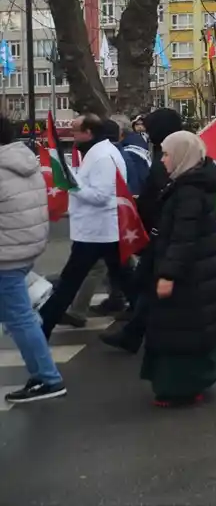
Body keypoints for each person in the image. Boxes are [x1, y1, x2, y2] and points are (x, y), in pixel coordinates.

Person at [140, 131, 216, 407]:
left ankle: (180, 387)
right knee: (194, 328)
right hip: (197, 274)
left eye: (166, 154)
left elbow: (183, 238)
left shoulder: (189, 191)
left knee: (180, 331)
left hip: (189, 277)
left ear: (181, 156)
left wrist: (168, 275)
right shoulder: (190, 183)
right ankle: (197, 377)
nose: (163, 159)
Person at [39, 113, 134, 337]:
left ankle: (43, 327)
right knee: (125, 280)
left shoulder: (102, 156)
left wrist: (71, 183)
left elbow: (101, 195)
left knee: (69, 281)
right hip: (99, 231)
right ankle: (143, 325)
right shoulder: (98, 152)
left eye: (74, 130)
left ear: (88, 133)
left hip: (98, 232)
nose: (71, 135)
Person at [100, 108, 184, 353]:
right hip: (160, 234)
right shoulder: (168, 153)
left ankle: (139, 334)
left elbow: (158, 197)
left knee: (149, 284)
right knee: (145, 284)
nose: (147, 133)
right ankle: (134, 333)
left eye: (151, 128)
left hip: (163, 235)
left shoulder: (169, 158)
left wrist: (139, 211)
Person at [0, 114, 66, 405]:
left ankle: (47, 378)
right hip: (23, 250)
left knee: (19, 319)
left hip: (6, 257)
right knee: (18, 316)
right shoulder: (22, 161)